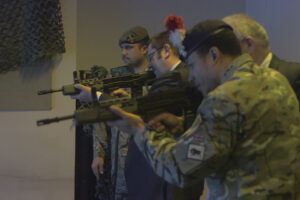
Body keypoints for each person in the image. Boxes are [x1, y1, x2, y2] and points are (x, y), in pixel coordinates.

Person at [107, 19, 300, 199]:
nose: (191, 77)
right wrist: (184, 125)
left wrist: (139, 131)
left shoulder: (223, 98)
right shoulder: (275, 79)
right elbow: (245, 133)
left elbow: (181, 169)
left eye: (192, 65)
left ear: (214, 55)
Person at [73, 26, 150, 200]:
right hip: (117, 161)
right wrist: (98, 153)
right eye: (121, 47)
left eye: (129, 47)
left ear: (145, 48)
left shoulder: (156, 79)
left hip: (144, 158)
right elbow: (102, 116)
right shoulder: (118, 79)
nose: (123, 52)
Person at [124, 30, 203, 200]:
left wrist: (98, 97)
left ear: (166, 50)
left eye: (151, 56)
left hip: (165, 183)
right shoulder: (185, 76)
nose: (150, 65)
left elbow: (148, 110)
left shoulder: (175, 78)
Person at [223, 13, 300, 100]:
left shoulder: (295, 74)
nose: (223, 57)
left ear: (249, 44)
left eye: (227, 48)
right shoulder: (231, 82)